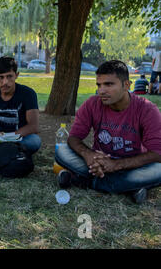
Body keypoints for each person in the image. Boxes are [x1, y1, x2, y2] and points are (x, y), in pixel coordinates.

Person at [55, 60, 161, 204]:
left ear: (126, 85)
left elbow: (157, 153)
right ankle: (130, 187)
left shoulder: (147, 110)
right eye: (99, 85)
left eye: (109, 84)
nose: (102, 90)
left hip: (132, 166)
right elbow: (73, 138)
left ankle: (82, 181)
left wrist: (116, 165)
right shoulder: (92, 104)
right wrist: (89, 155)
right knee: (61, 151)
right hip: (96, 164)